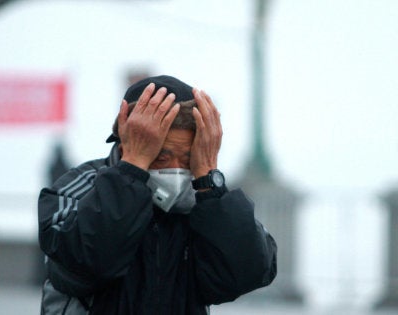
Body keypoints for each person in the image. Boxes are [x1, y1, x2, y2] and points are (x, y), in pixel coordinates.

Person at [38, 75, 277, 314]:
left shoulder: (202, 202)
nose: (175, 168)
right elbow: (86, 262)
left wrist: (208, 179)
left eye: (187, 159)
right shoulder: (78, 187)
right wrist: (132, 170)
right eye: (161, 157)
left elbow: (246, 274)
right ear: (126, 146)